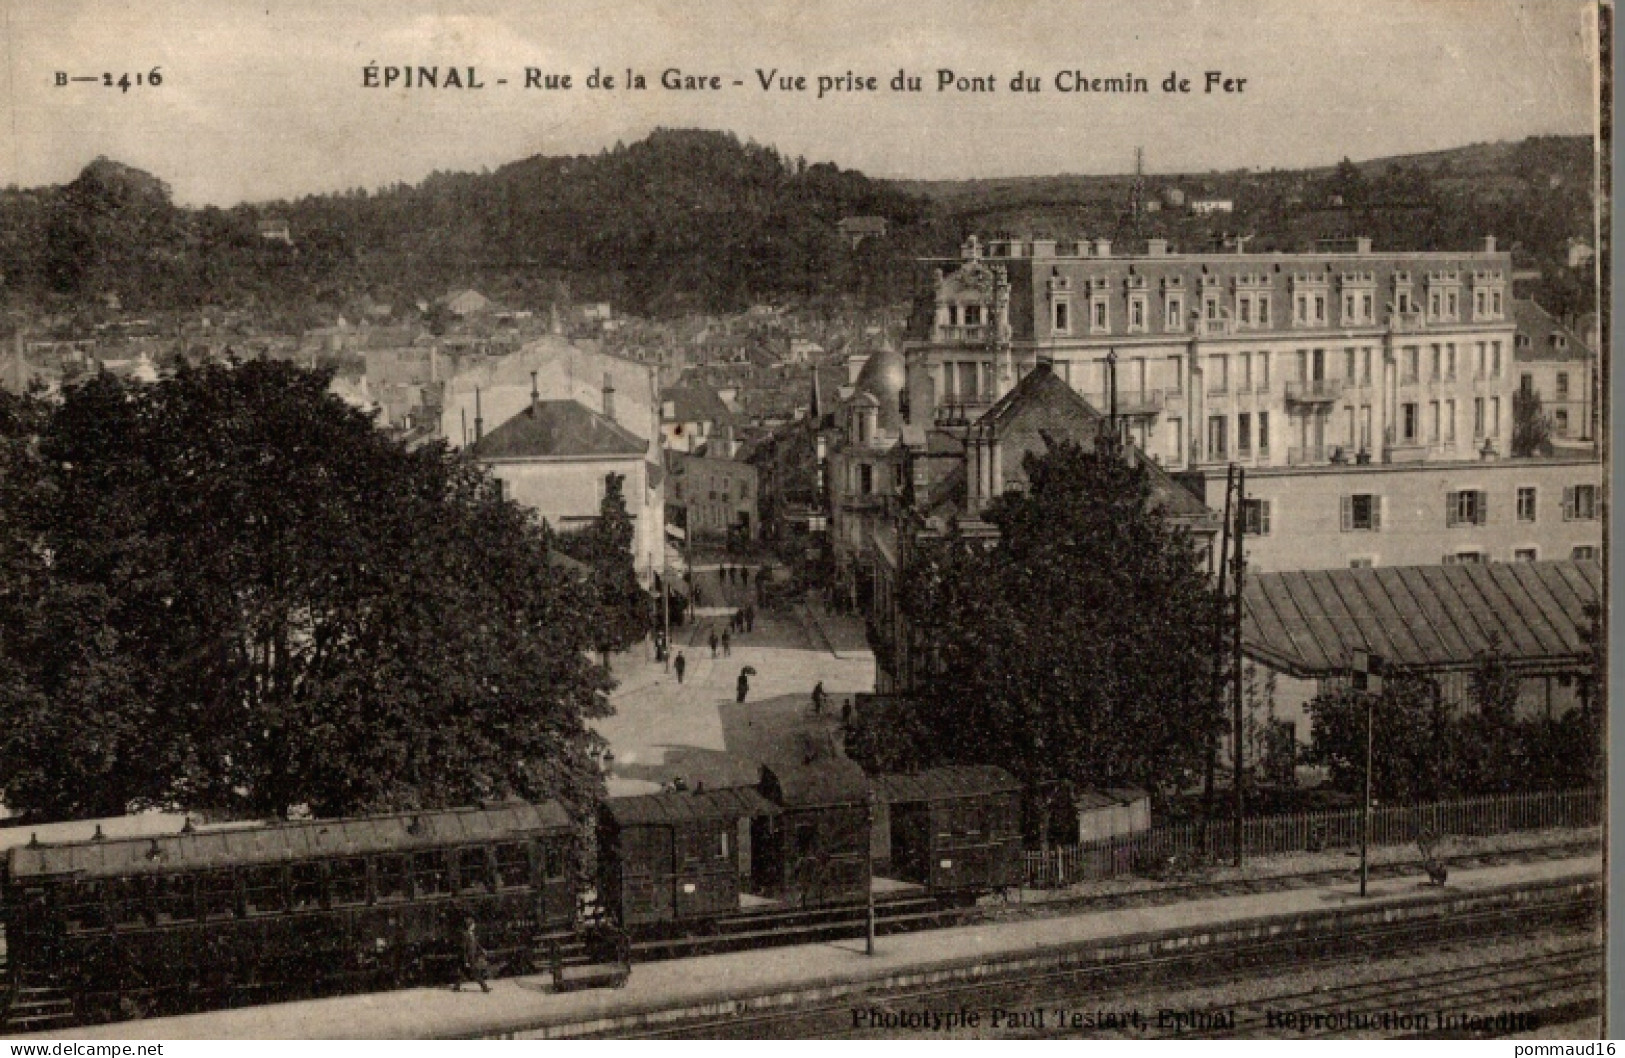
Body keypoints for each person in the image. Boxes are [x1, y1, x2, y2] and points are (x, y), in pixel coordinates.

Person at [453, 917, 491, 993]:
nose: (474, 925)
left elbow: (476, 943)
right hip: (469, 958)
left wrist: (482, 949)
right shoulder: (465, 935)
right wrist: (466, 961)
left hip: (472, 956)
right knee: (475, 972)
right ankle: (484, 987)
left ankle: (456, 987)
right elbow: (464, 949)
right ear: (470, 925)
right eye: (473, 924)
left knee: (463, 973)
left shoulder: (471, 934)